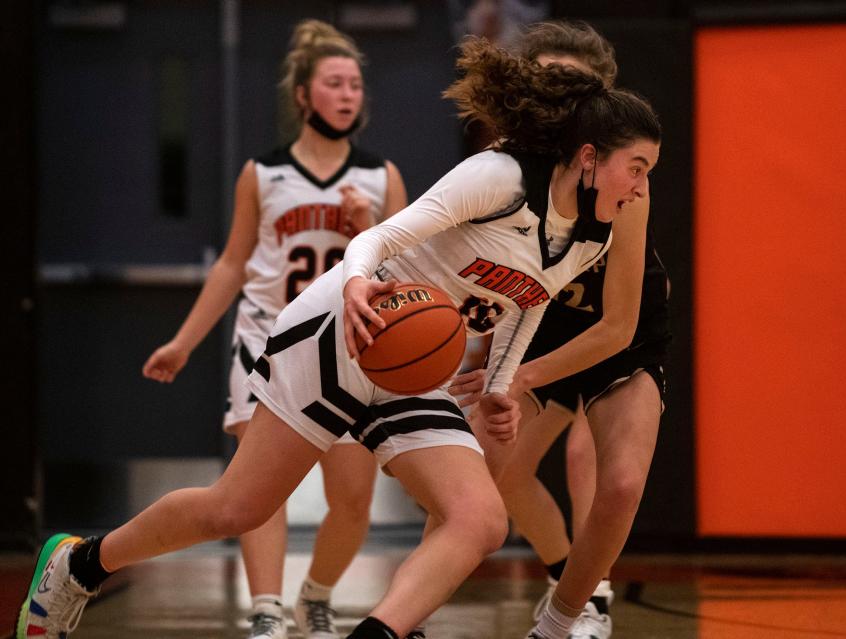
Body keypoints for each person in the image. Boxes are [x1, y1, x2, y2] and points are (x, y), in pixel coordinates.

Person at [17, 35, 660, 639]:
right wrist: (355, 284)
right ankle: (79, 566)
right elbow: (375, 239)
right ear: (588, 158)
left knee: (480, 521)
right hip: (341, 330)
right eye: (636, 167)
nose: (641, 186)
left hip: (412, 364)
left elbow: (529, 301)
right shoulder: (500, 178)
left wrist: (498, 386)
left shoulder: (593, 236)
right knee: (236, 507)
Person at [140, 20, 407, 639]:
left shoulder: (381, 177)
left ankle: (314, 596)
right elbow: (234, 264)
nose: (348, 94)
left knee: (352, 501)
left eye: (356, 85)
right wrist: (183, 341)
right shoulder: (262, 174)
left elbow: (405, 271)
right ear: (303, 96)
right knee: (259, 492)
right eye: (335, 83)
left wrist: (367, 228)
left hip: (347, 345)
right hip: (268, 340)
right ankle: (265, 612)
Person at [449, 20, 670, 639]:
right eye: (551, 84)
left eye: (578, 90)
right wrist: (472, 351)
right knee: (488, 474)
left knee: (611, 476)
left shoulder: (622, 182)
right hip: (539, 327)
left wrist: (521, 377)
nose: (564, 103)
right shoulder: (501, 173)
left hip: (615, 337)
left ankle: (576, 608)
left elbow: (619, 323)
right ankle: (562, 576)